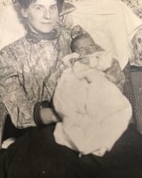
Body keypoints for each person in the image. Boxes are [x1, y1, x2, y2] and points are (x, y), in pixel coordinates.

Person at [0, 0, 142, 178]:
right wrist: (61, 115)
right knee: (51, 163)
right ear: (24, 11)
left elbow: (110, 72)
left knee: (130, 152)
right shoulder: (8, 57)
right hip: (47, 128)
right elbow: (17, 105)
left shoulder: (76, 39)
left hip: (93, 120)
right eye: (39, 7)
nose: (48, 15)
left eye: (53, 7)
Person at [53, 25, 132, 156]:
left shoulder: (100, 56)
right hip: (79, 87)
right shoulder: (74, 59)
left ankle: (100, 143)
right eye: (82, 48)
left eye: (91, 46)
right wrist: (74, 63)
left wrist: (98, 65)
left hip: (100, 87)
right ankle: (83, 142)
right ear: (75, 52)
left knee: (114, 111)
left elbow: (107, 64)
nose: (88, 50)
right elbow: (67, 69)